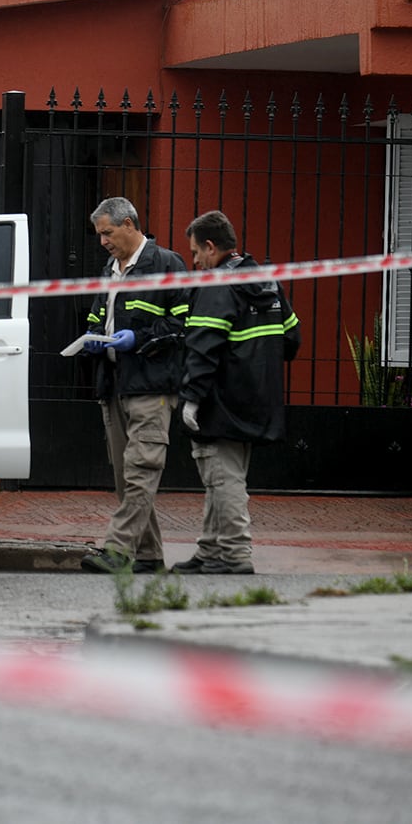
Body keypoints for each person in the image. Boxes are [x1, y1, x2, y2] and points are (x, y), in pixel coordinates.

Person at [173, 210, 301, 575]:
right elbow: (292, 340)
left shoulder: (216, 285)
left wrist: (192, 399)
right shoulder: (265, 281)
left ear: (211, 247)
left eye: (196, 253)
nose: (195, 262)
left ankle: (235, 555)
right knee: (221, 476)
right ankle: (210, 551)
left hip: (220, 402)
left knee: (223, 479)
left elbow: (203, 347)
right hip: (257, 399)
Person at [78, 197, 189, 574]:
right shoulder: (109, 269)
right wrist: (93, 337)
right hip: (114, 386)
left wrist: (137, 340)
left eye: (108, 233)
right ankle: (148, 556)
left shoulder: (167, 265)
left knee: (141, 471)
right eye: (99, 235)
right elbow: (97, 315)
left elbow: (181, 325)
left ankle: (118, 550)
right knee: (127, 477)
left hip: (151, 388)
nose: (103, 241)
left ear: (130, 225)